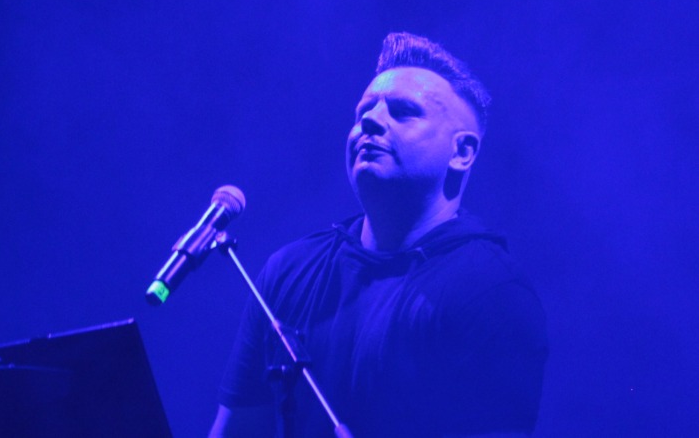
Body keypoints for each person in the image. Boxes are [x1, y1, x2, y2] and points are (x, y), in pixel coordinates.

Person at [210, 32, 548, 437]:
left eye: (403, 112)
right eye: (362, 112)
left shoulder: (491, 293)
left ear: (462, 153)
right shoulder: (290, 270)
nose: (369, 121)